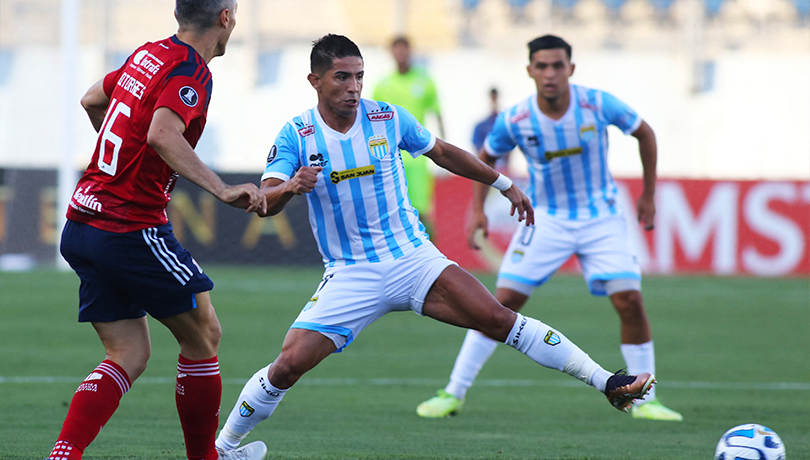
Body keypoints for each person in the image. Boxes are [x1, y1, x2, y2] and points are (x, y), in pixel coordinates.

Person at [214, 34, 655, 455]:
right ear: (315, 81)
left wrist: (502, 183)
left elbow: (443, 152)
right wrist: (292, 186)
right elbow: (264, 202)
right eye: (342, 78)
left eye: (359, 77)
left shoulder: (388, 117)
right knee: (288, 365)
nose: (353, 88)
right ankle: (225, 448)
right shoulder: (296, 135)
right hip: (351, 272)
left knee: (499, 319)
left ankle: (607, 383)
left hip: (412, 258)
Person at [416, 34, 682, 422]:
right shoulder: (517, 118)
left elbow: (645, 133)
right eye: (542, 66)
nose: (550, 73)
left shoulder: (596, 104)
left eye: (558, 65)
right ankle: (452, 392)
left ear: (571, 69)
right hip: (546, 219)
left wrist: (649, 194)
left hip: (600, 217)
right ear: (530, 71)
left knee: (630, 301)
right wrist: (477, 210)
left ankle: (648, 401)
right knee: (498, 305)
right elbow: (486, 155)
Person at [47, 1, 269, 459]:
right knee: (203, 334)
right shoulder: (191, 71)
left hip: (83, 221)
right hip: (127, 225)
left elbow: (93, 99)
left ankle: (63, 455)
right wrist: (220, 189)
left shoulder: (147, 54)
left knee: (127, 354)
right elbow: (162, 135)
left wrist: (122, 161)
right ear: (225, 17)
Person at [372, 36, 444, 232]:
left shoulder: (424, 81)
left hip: (418, 156)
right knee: (391, 208)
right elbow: (372, 121)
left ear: (411, 51)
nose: (401, 54)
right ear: (391, 53)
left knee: (422, 210)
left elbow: (437, 114)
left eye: (404, 49)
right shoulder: (383, 84)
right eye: (397, 49)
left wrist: (444, 151)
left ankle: (432, 256)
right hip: (389, 155)